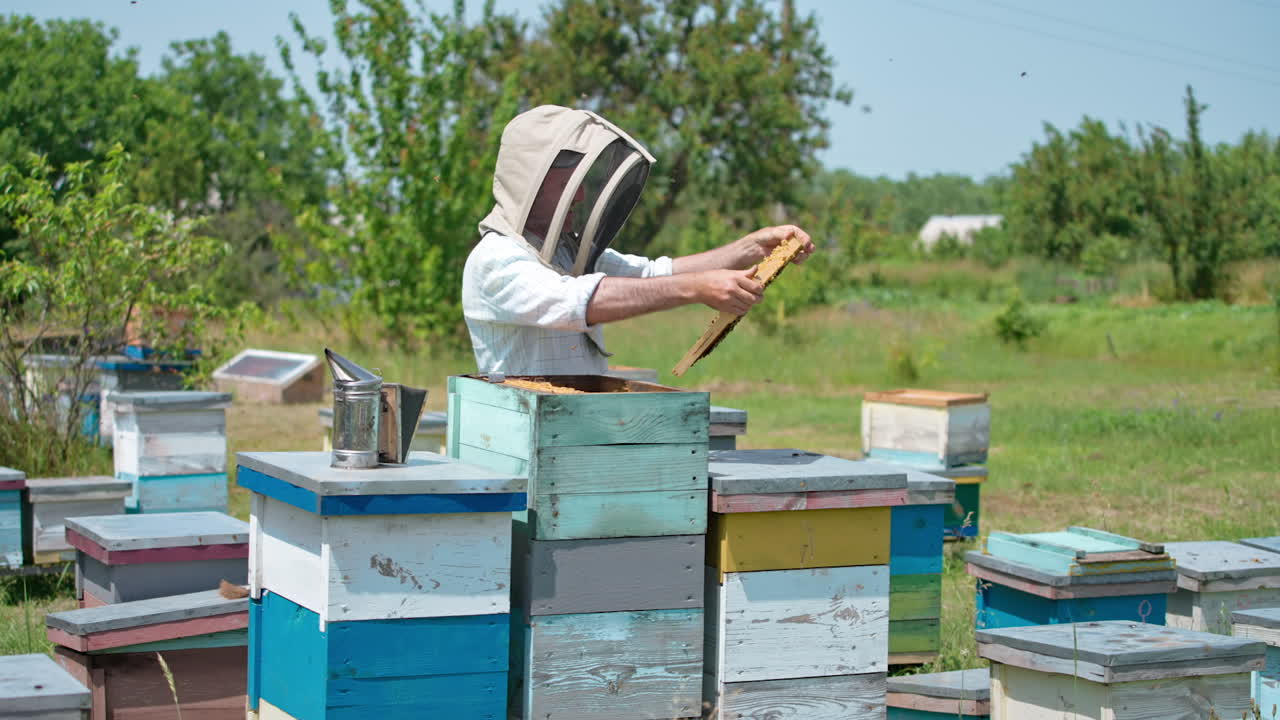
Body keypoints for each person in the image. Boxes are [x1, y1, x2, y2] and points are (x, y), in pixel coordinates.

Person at [462, 105, 815, 375]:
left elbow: (653, 274)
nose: (581, 198)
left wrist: (749, 248)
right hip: (522, 439)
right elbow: (576, 301)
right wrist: (697, 289)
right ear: (531, 187)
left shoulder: (566, 251)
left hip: (575, 430)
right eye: (567, 186)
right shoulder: (497, 259)